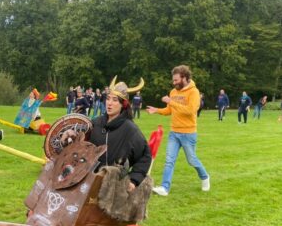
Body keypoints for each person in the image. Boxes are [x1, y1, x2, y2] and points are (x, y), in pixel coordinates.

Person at [61, 77, 151, 190]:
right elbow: (81, 143)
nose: (109, 103)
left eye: (114, 100)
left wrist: (134, 180)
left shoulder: (130, 130)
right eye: (108, 99)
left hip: (112, 187)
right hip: (87, 181)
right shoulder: (96, 122)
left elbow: (145, 156)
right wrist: (72, 135)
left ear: (123, 104)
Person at [147, 65, 209, 196]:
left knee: (192, 160)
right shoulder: (173, 92)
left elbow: (191, 110)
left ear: (185, 78)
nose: (173, 83)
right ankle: (165, 188)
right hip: (174, 133)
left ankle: (204, 177)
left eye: (176, 80)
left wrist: (171, 102)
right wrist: (157, 110)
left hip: (188, 133)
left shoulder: (194, 92)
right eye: (173, 80)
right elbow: (170, 110)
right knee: (169, 160)